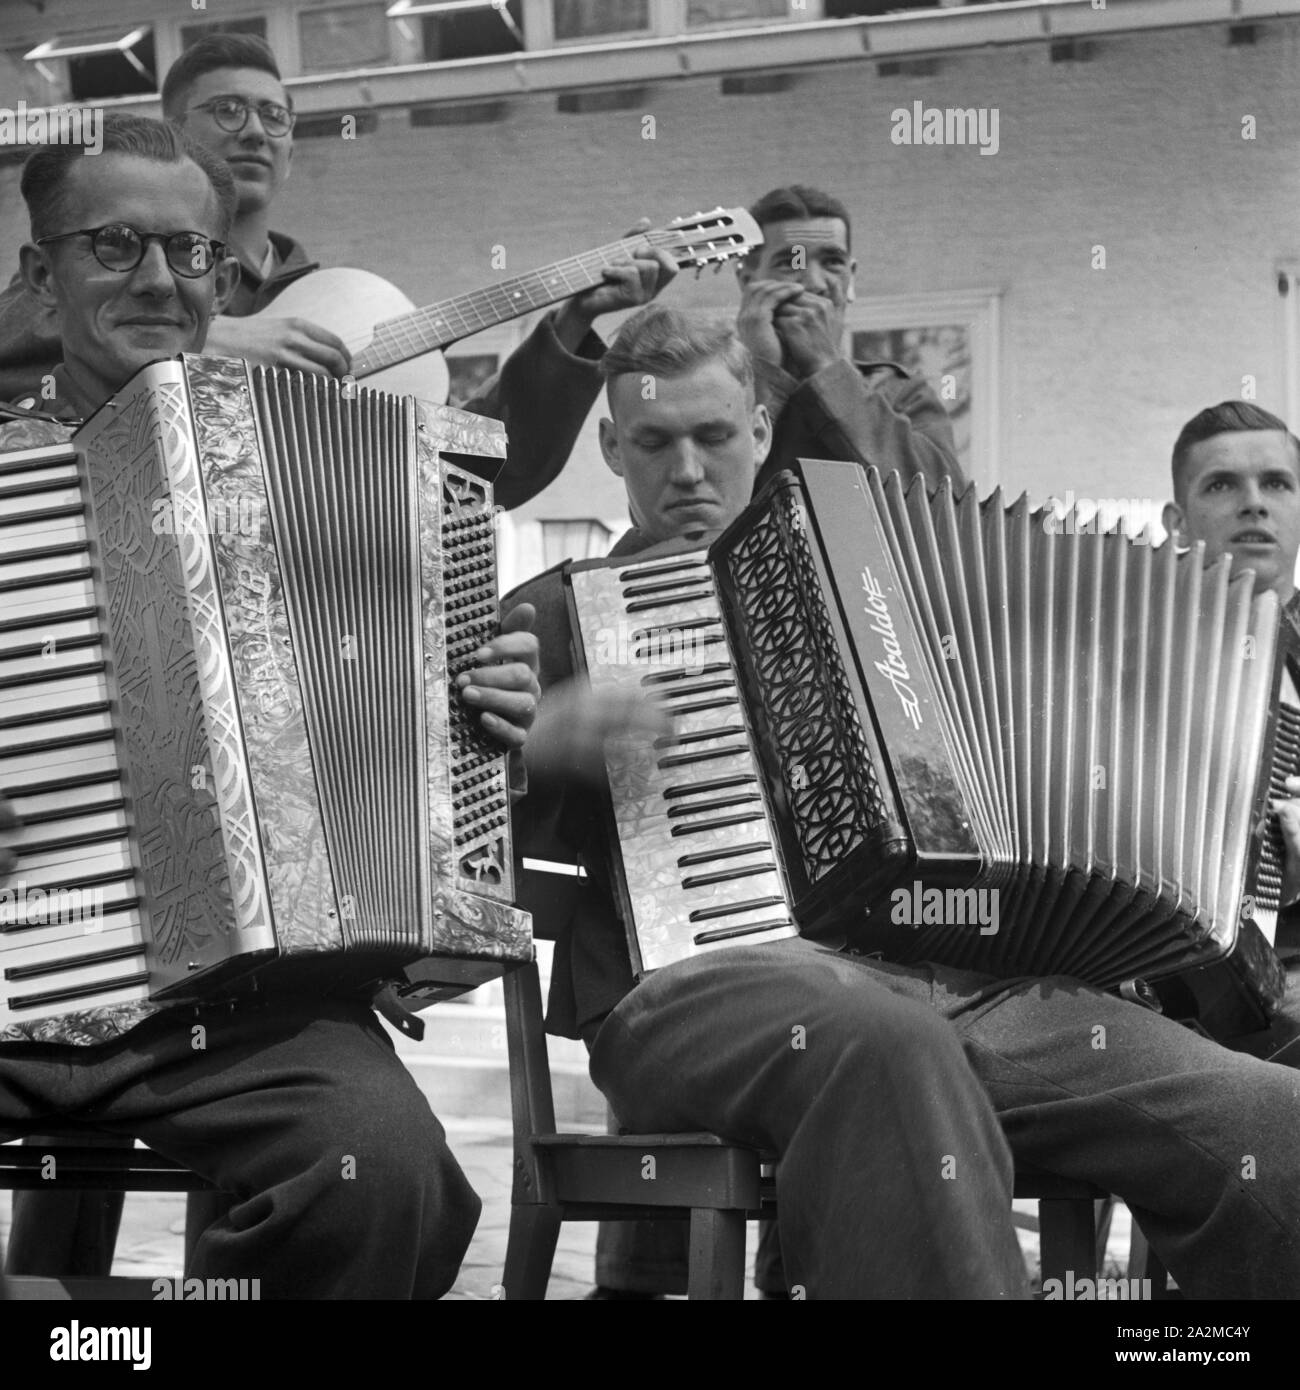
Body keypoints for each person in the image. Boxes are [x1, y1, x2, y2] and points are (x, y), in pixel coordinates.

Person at [511, 304, 1300, 1299]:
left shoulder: (881, 576)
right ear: (610, 444)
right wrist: (542, 747)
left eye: (713, 436)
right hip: (698, 988)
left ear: (759, 426)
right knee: (889, 1050)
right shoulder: (554, 615)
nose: (687, 470)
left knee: (1271, 1123)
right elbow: (447, 840)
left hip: (970, 984)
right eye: (655, 442)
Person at [0, 112, 541, 1298]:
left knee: (387, 1175)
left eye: (188, 253)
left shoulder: (336, 481)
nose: (158, 279)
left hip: (225, 1013)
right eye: (114, 246)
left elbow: (408, 741)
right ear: (41, 276)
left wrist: (483, 708)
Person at [0, 33, 675, 509]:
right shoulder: (80, 279)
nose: (256, 130)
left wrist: (572, 322)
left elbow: (469, 479)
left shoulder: (343, 303)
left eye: (274, 115)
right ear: (170, 130)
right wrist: (204, 342)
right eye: (228, 110)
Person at [1161, 400, 1300, 1064]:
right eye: (1221, 485)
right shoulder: (1128, 658)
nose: (1254, 504)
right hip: (1182, 1004)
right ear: (1177, 524)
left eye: (1276, 483)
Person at [735, 183, 960, 493]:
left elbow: (942, 499)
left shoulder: (901, 393)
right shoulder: (716, 389)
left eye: (832, 262)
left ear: (851, 280)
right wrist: (762, 373)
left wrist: (827, 366)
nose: (814, 283)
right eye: (790, 262)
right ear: (748, 281)